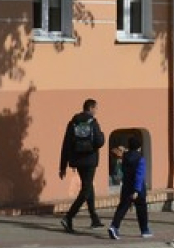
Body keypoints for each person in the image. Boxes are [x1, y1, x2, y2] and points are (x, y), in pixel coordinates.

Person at [58, 99, 106, 233]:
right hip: (90, 160)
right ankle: (69, 217)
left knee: (88, 186)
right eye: (95, 108)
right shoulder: (92, 122)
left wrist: (62, 166)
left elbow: (66, 144)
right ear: (90, 108)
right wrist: (103, 136)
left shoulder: (73, 122)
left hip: (77, 160)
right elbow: (99, 141)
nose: (96, 111)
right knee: (86, 190)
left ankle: (94, 218)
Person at [106, 139, 152, 240]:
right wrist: (136, 190)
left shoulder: (125, 157)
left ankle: (114, 226)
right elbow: (139, 175)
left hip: (126, 186)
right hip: (138, 188)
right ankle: (144, 230)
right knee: (141, 208)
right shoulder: (140, 159)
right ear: (139, 148)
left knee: (122, 207)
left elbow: (123, 171)